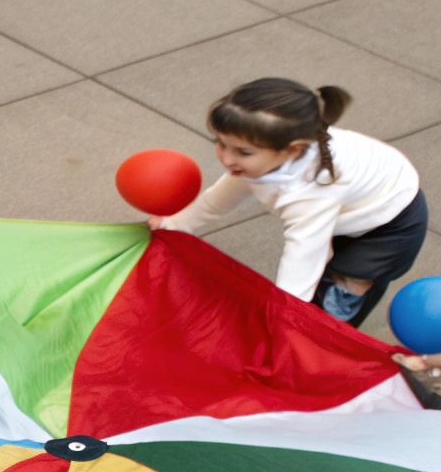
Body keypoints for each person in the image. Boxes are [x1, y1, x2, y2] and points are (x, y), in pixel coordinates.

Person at [151, 77, 426, 327]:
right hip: (354, 206)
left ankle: (327, 348)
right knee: (323, 278)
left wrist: (287, 313)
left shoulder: (309, 192)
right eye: (221, 143)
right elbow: (217, 200)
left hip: (392, 226)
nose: (227, 158)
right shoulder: (266, 159)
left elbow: (303, 253)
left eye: (243, 152)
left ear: (292, 149)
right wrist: (172, 225)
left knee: (343, 290)